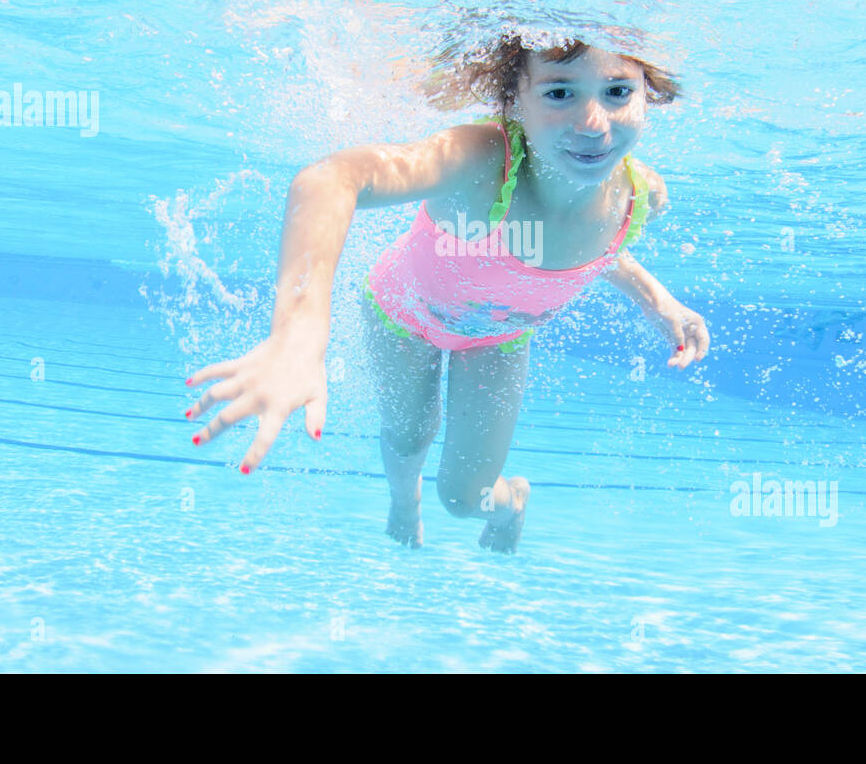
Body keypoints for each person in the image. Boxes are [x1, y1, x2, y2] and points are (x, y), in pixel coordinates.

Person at [184, 33, 710, 553]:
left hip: (499, 339)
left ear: (648, 95)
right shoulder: (481, 164)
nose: (594, 123)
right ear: (513, 101)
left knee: (465, 498)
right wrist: (298, 331)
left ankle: (513, 503)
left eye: (618, 92)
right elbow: (332, 179)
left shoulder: (643, 196)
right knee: (407, 437)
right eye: (558, 93)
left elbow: (592, 250)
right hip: (403, 315)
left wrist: (658, 300)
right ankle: (402, 500)